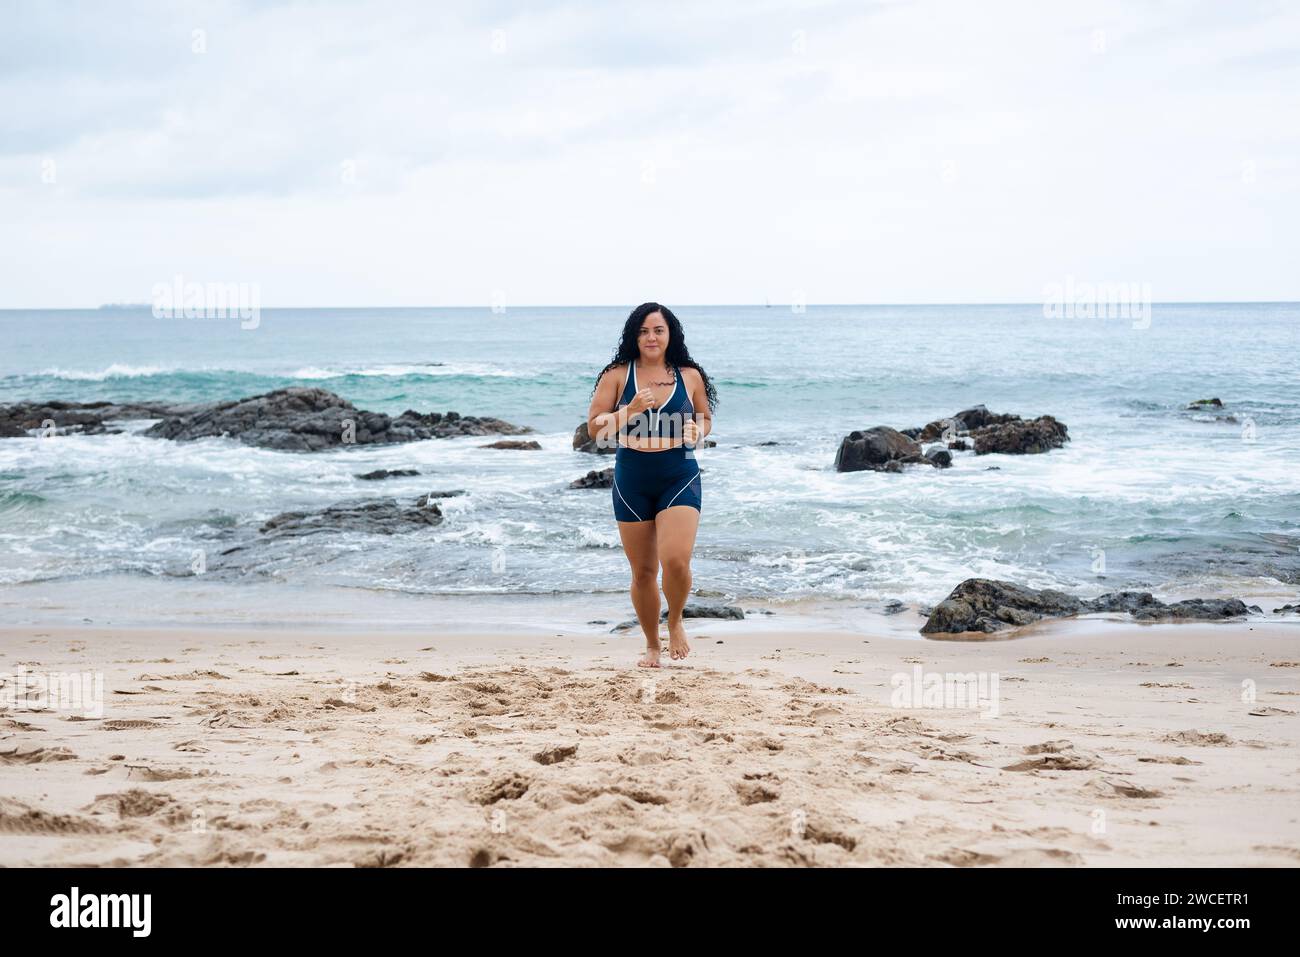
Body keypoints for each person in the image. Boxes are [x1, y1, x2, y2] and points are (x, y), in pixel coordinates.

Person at [586, 303, 718, 667]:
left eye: (658, 330)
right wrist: (628, 411)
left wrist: (699, 430)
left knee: (675, 560)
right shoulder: (616, 375)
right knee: (643, 572)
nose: (651, 337)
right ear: (634, 335)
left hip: (679, 470)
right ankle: (651, 644)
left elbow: (705, 418)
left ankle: (675, 621)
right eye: (644, 331)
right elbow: (595, 428)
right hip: (633, 474)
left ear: (670, 334)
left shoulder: (689, 375)